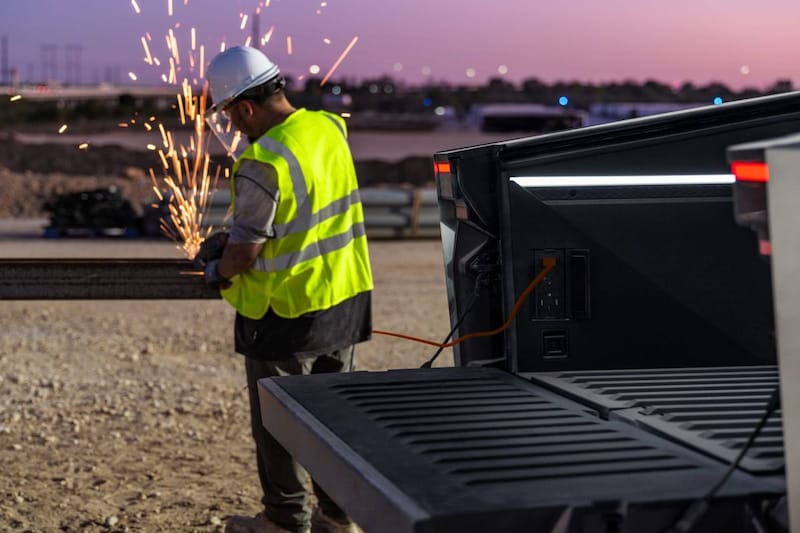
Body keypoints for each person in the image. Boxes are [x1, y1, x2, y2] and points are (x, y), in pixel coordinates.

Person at [198, 46, 373, 533]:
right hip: (344, 296)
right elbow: (307, 213)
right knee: (335, 419)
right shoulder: (328, 127)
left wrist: (217, 269)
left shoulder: (262, 159)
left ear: (245, 108)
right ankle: (336, 517)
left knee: (279, 423)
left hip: (285, 313)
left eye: (230, 116)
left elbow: (244, 255)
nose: (233, 127)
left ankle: (284, 521)